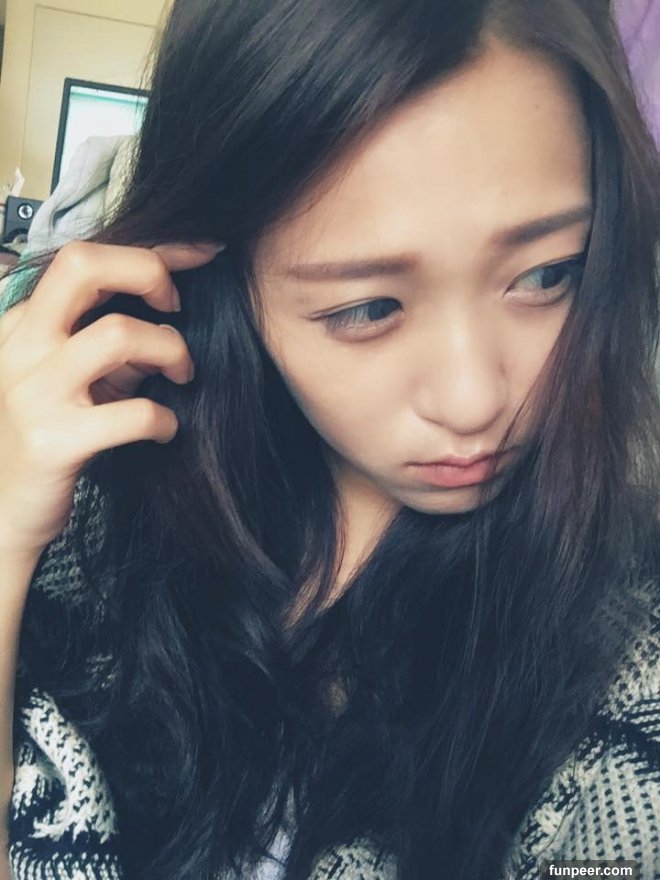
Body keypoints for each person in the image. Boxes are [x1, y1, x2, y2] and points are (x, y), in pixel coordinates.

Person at [0, 1, 658, 879]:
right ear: (219, 277)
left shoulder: (628, 653)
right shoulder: (89, 527)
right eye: (367, 307)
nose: (474, 401)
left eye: (547, 275)